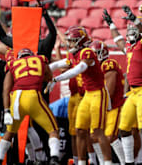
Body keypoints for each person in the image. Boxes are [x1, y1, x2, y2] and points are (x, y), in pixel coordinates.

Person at [103, 6, 142, 165]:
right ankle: (129, 162)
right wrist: (111, 25)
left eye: (133, 28)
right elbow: (119, 41)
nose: (130, 31)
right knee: (123, 128)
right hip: (132, 93)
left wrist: (137, 20)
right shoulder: (130, 47)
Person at [46, 27, 112, 165]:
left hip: (97, 94)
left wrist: (56, 79)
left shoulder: (87, 52)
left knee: (97, 132)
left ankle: (107, 162)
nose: (69, 44)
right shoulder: (75, 54)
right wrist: (42, 70)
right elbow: (60, 63)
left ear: (80, 42)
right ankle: (81, 162)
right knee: (80, 130)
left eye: (72, 41)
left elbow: (78, 69)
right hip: (88, 94)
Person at [0, 48, 60, 165]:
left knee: (10, 132)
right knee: (53, 129)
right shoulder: (40, 59)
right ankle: (54, 158)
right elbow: (49, 76)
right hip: (33, 95)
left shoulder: (12, 64)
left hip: (16, 99)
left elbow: (6, 90)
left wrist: (6, 110)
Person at [90, 40, 126, 165]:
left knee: (110, 137)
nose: (92, 57)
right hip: (101, 106)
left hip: (113, 106)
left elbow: (109, 91)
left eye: (95, 54)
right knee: (93, 137)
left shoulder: (109, 64)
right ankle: (102, 162)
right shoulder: (95, 68)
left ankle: (124, 162)